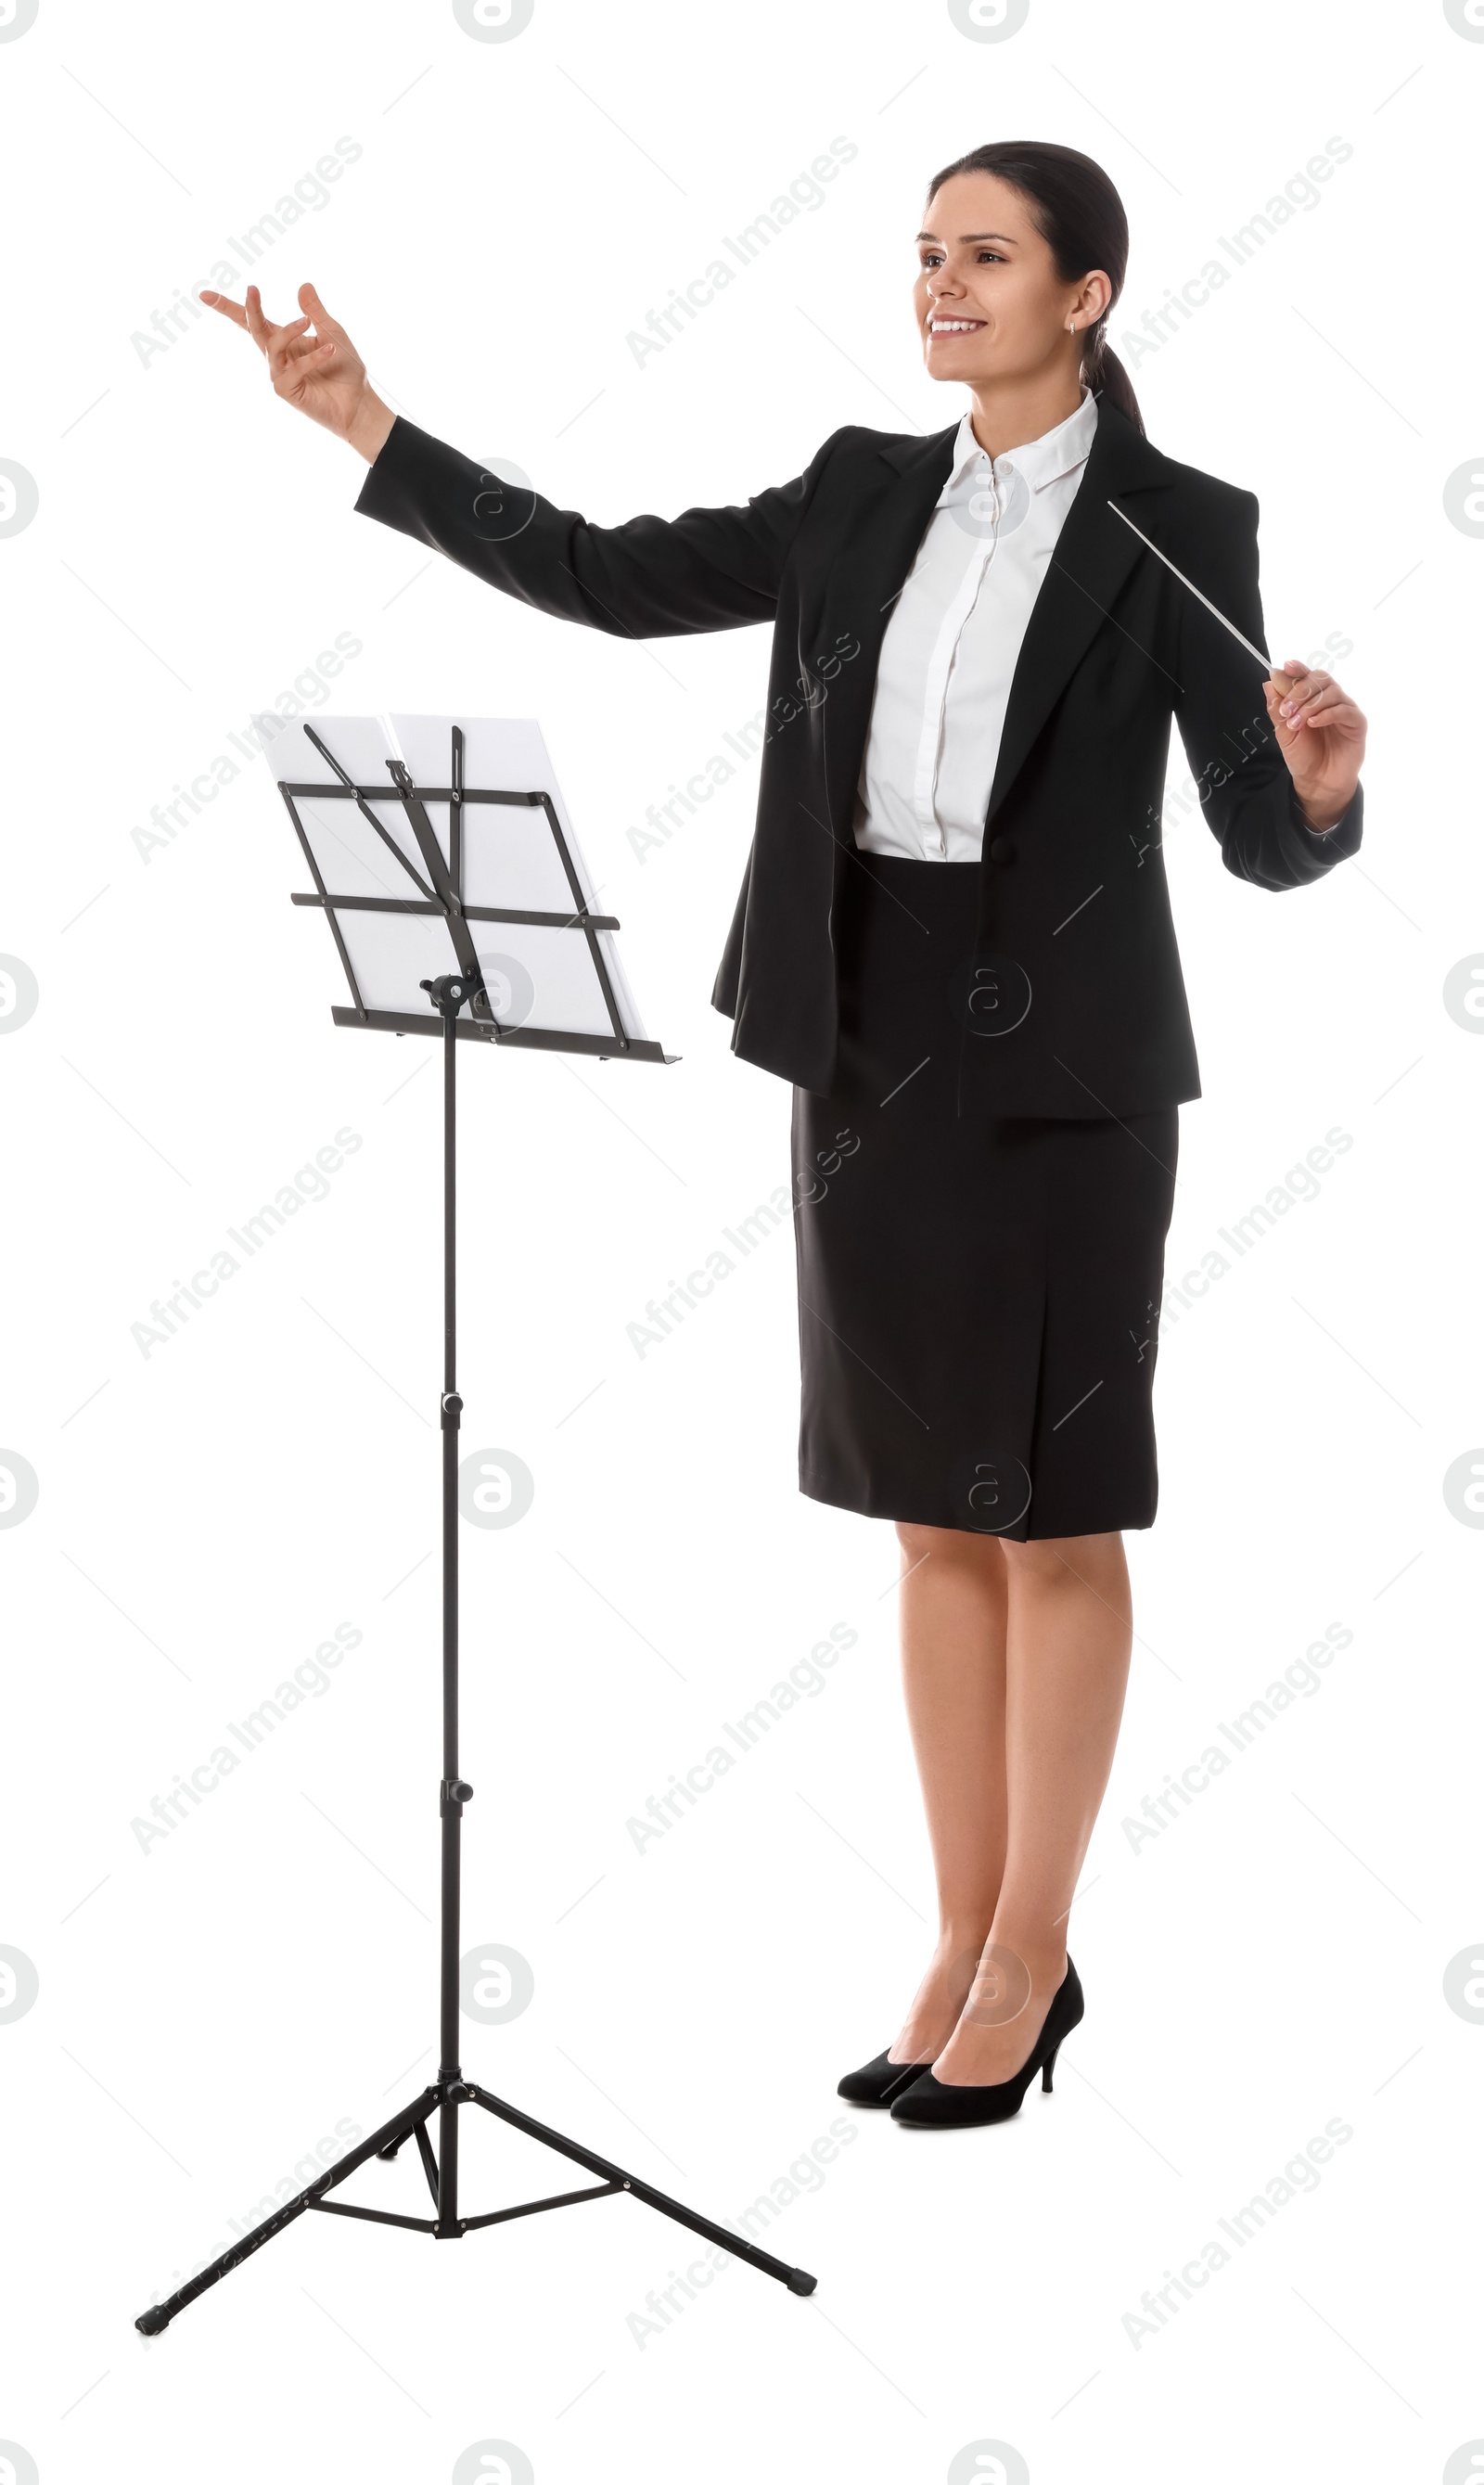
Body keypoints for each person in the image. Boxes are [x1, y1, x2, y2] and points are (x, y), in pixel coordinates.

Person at [203, 138, 1366, 2132]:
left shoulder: (1179, 524)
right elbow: (597, 572)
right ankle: (960, 1927)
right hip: (868, 1041)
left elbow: (1256, 838)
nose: (939, 284)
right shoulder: (852, 492)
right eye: (924, 254)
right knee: (924, 1506)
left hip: (1069, 1065)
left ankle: (1032, 1945)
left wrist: (1321, 787)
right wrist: (366, 426)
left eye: (982, 257)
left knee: (1058, 1511)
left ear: (1082, 292)